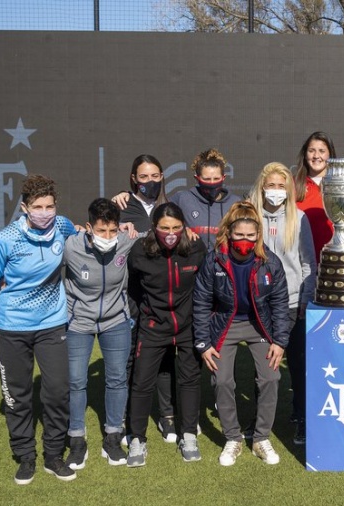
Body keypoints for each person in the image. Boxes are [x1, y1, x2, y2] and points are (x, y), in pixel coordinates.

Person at [0, 174, 78, 484]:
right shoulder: (6, 239)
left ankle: (53, 456)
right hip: (11, 326)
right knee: (17, 396)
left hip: (52, 323)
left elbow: (84, 237)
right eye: (38, 206)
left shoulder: (62, 226)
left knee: (58, 391)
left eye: (50, 205)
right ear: (25, 207)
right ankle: (25, 457)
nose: (45, 212)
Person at [194, 202, 290, 467]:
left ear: (258, 235)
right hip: (226, 323)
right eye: (239, 235)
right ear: (228, 233)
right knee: (222, 381)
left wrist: (280, 341)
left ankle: (260, 438)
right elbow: (201, 302)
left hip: (260, 325)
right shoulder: (213, 260)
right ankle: (233, 438)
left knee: (270, 376)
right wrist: (203, 344)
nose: (245, 240)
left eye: (251, 235)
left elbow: (280, 304)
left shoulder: (270, 262)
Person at [126, 203, 207, 467]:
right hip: (153, 327)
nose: (170, 233)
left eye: (175, 227)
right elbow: (133, 289)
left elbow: (204, 287)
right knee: (141, 382)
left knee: (189, 380)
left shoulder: (196, 248)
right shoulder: (139, 251)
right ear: (154, 227)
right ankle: (137, 439)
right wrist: (145, 315)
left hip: (188, 327)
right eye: (164, 228)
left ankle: (189, 434)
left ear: (184, 227)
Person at [62, 199, 138, 469]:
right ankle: (77, 440)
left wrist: (186, 232)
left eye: (112, 230)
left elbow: (161, 236)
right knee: (75, 381)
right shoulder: (70, 245)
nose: (107, 237)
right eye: (101, 231)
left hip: (116, 321)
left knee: (117, 379)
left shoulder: (127, 240)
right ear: (87, 227)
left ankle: (113, 437)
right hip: (78, 323)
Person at [113, 154, 180, 444]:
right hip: (130, 294)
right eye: (143, 177)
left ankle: (167, 417)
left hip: (162, 295)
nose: (150, 182)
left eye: (155, 176)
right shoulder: (121, 206)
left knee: (165, 357)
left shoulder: (169, 207)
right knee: (129, 358)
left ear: (162, 176)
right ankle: (129, 417)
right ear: (133, 179)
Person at [248, 162, 316, 445]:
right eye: (270, 186)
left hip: (292, 304)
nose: (275, 192)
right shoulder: (250, 217)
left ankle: (301, 417)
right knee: (263, 368)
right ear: (261, 187)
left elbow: (308, 263)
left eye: (280, 187)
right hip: (259, 304)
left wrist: (306, 297)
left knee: (299, 366)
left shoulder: (299, 218)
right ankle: (261, 419)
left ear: (289, 190)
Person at [170, 148, 242, 251]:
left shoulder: (235, 203)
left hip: (223, 264)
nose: (212, 183)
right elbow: (159, 216)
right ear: (197, 178)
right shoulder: (182, 199)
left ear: (224, 177)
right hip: (193, 263)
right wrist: (180, 229)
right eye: (206, 179)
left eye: (216, 179)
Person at [294, 131, 337, 261]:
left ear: (330, 155)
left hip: (332, 261)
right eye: (311, 150)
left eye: (322, 151)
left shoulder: (342, 183)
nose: (316, 156)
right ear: (305, 154)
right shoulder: (291, 184)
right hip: (300, 262)